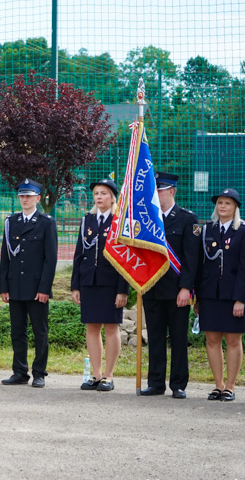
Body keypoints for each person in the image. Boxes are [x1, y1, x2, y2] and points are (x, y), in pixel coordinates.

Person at [141, 172, 200, 399]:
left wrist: (187, 288)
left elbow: (191, 258)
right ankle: (155, 383)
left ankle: (178, 384)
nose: (155, 194)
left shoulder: (187, 219)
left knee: (178, 339)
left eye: (159, 190)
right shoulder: (148, 219)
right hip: (152, 288)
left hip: (177, 290)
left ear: (171, 191)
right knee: (155, 338)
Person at [71, 178, 129, 392]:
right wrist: (75, 286)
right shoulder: (87, 220)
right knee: (91, 328)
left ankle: (108, 375)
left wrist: (123, 290)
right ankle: (95, 374)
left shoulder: (119, 221)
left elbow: (126, 258)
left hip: (111, 284)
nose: (99, 197)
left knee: (111, 328)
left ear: (113, 197)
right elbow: (79, 254)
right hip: (89, 282)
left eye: (103, 193)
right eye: (96, 193)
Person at [0, 179, 58, 388]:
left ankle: (39, 372)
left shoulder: (46, 222)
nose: (25, 199)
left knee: (40, 332)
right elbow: (6, 257)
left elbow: (50, 259)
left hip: (36, 288)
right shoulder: (11, 222)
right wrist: (4, 287)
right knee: (17, 331)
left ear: (38, 199)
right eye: (22, 196)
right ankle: (19, 371)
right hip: (15, 286)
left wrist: (44, 289)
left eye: (29, 196)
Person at [195, 188, 245, 402]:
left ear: (235, 208)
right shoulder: (207, 230)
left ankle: (231, 387)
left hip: (233, 295)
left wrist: (241, 299)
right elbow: (200, 266)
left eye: (228, 203)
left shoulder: (242, 231)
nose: (223, 206)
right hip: (209, 294)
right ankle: (218, 385)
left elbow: (244, 267)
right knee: (212, 339)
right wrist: (197, 298)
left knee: (233, 340)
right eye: (220, 203)